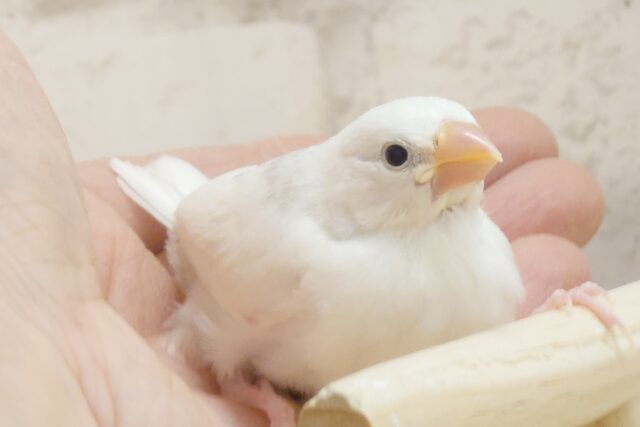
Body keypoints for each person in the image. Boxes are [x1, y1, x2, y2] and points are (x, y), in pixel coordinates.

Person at [0, 33, 603, 426]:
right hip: (218, 230)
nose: (463, 164)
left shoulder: (488, 255)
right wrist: (251, 390)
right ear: (358, 171)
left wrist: (559, 321)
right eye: (400, 158)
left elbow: (488, 341)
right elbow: (196, 241)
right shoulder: (303, 255)